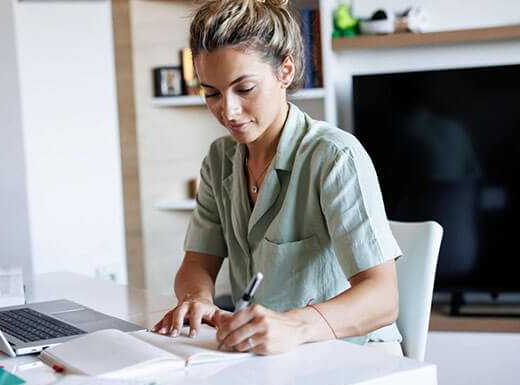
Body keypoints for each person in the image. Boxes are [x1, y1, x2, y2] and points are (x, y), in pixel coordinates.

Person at [152, 0, 403, 356]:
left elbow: (383, 298)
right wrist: (197, 298)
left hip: (354, 353)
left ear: (285, 70)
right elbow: (196, 262)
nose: (228, 110)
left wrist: (295, 327)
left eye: (244, 89)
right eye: (212, 93)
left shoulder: (335, 156)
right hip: (269, 356)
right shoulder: (219, 160)